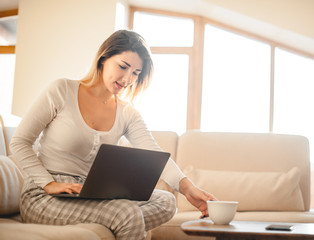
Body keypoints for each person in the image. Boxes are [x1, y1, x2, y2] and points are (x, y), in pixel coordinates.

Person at [10, 30, 215, 240]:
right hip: (45, 196)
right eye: (123, 66)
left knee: (166, 202)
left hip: (91, 194)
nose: (127, 79)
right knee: (126, 214)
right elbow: (19, 142)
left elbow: (153, 152)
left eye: (136, 73)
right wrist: (48, 183)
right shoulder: (62, 90)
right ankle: (120, 219)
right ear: (103, 59)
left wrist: (189, 189)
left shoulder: (127, 113)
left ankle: (118, 220)